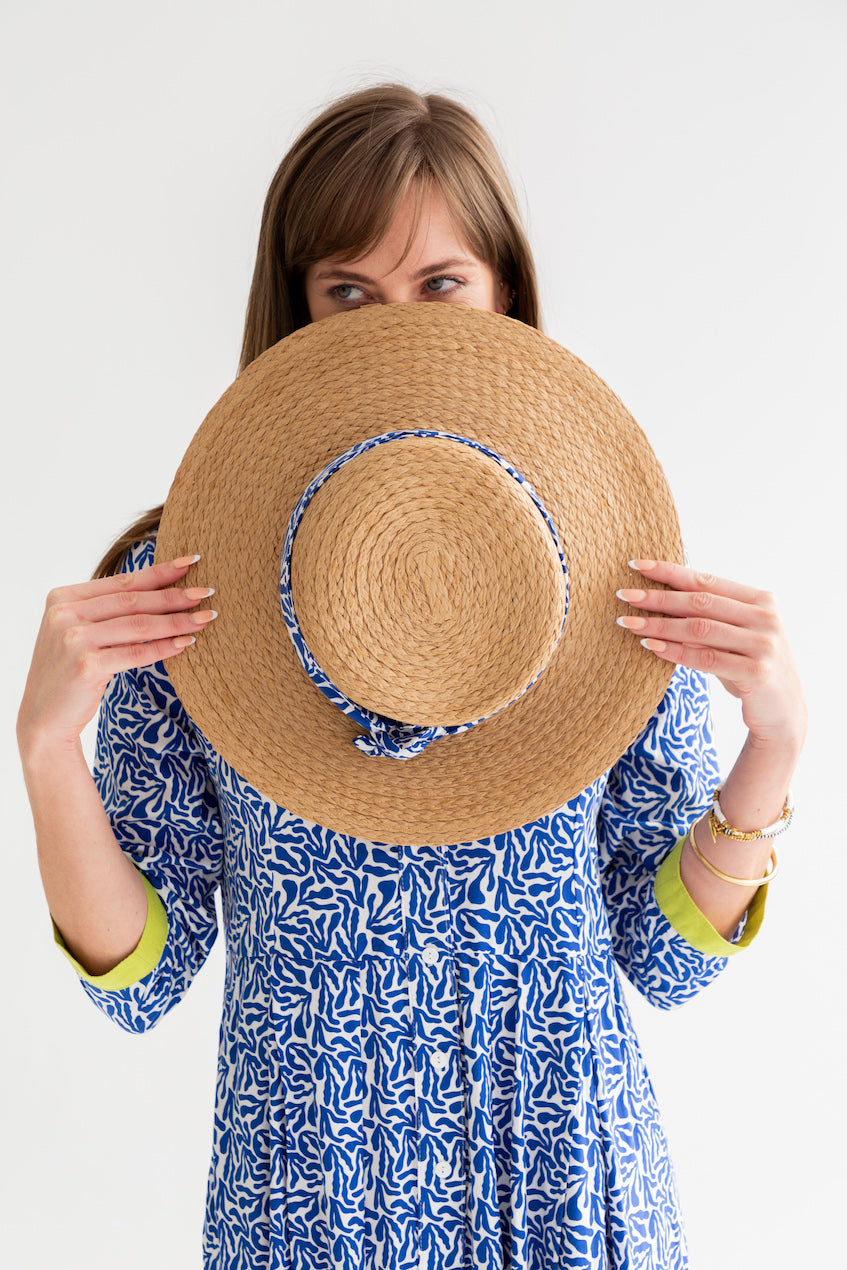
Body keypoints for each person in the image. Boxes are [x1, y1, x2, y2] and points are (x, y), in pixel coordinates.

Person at [17, 83, 806, 1270]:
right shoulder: (185, 583)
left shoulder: (603, 569)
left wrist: (773, 752)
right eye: (347, 290)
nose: (397, 323)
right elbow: (140, 979)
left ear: (502, 296)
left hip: (568, 1194)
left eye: (440, 283)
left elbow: (665, 958)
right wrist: (43, 752)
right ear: (294, 311)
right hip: (308, 1205)